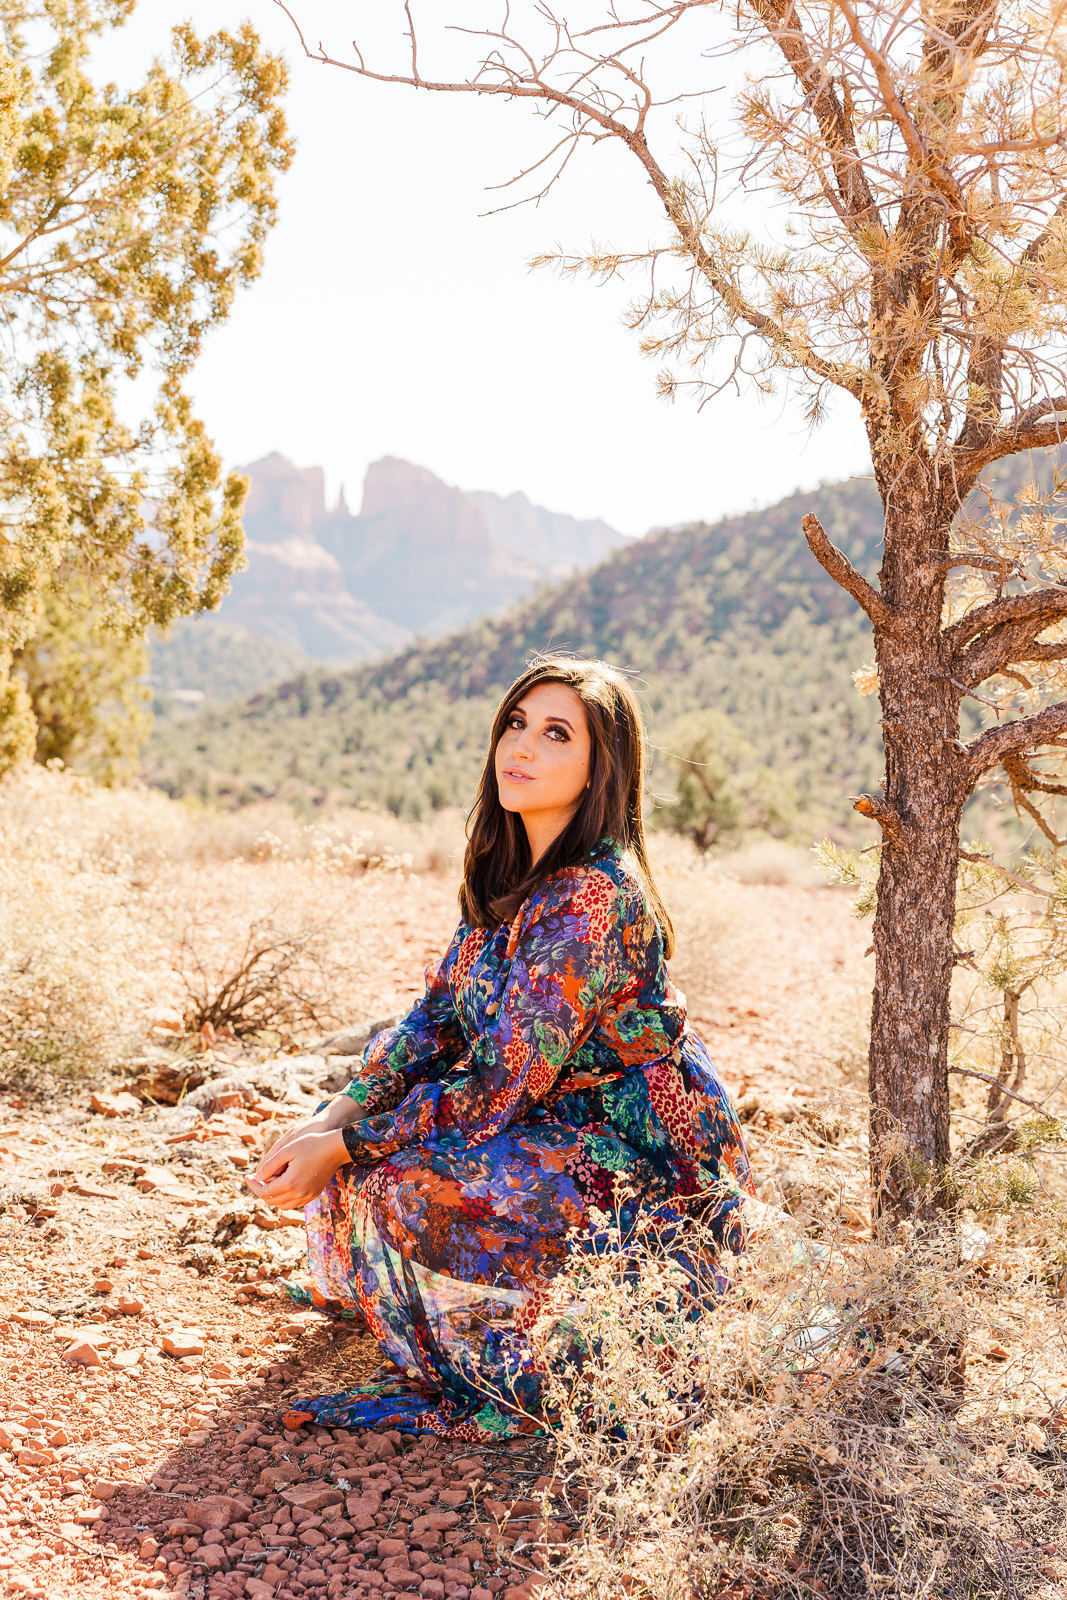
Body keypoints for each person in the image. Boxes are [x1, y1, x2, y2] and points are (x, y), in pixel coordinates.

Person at [247, 656, 756, 1441]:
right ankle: (415, 1310)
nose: (521, 746)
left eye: (556, 734)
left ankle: (517, 1385)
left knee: (400, 1183)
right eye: (516, 724)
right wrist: (335, 1115)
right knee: (353, 1154)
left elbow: (497, 1085)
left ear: (598, 772)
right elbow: (437, 1018)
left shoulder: (591, 894)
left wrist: (347, 1144)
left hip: (640, 1152)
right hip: (550, 1121)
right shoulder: (512, 867)